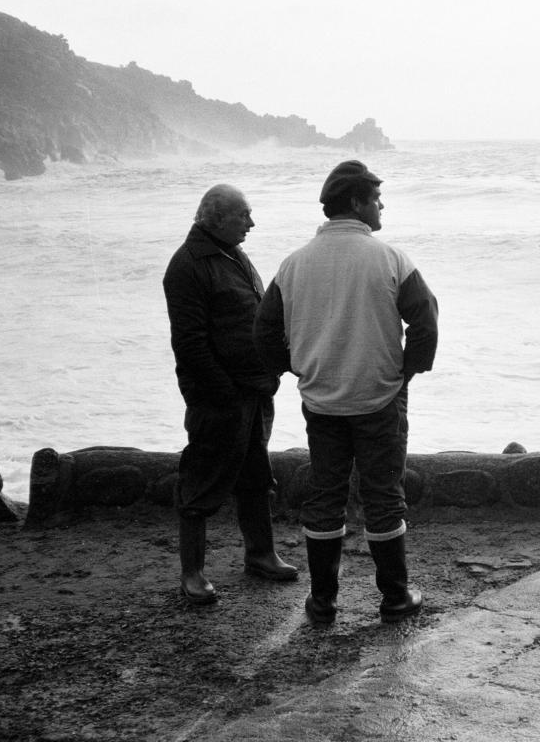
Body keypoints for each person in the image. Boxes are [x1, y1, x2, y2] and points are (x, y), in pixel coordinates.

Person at [254, 160, 438, 625]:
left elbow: (264, 332)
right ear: (356, 203)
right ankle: (395, 598)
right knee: (382, 494)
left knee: (326, 494)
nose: (382, 205)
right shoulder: (391, 259)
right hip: (378, 397)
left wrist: (296, 368)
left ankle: (322, 602)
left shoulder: (293, 264)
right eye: (376, 197)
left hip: (322, 399)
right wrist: (405, 372)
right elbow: (425, 321)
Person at [163, 183, 298, 605]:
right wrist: (221, 393)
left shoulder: (229, 253)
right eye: (244, 215)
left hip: (252, 389)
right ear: (215, 218)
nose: (251, 223)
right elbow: (189, 343)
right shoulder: (189, 264)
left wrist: (270, 371)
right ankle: (193, 573)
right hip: (219, 395)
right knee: (202, 480)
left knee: (256, 476)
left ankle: (260, 554)